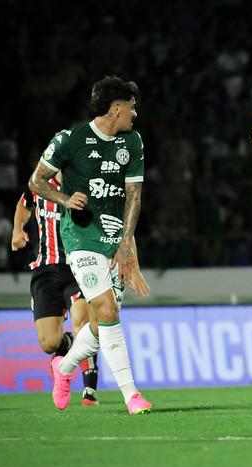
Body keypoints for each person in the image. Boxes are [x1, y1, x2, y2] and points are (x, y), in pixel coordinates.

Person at [29, 76, 152, 415]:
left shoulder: (133, 141)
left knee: (99, 325)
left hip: (116, 238)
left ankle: (63, 368)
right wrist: (65, 198)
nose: (135, 113)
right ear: (116, 108)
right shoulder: (70, 140)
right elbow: (36, 181)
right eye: (131, 107)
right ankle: (132, 396)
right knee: (109, 312)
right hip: (81, 238)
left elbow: (134, 195)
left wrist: (127, 244)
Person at [12, 171, 100, 406]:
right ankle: (67, 347)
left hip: (77, 266)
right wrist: (17, 229)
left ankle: (89, 389)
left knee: (82, 319)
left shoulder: (84, 184)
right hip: (45, 270)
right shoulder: (37, 185)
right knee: (49, 344)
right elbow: (23, 205)